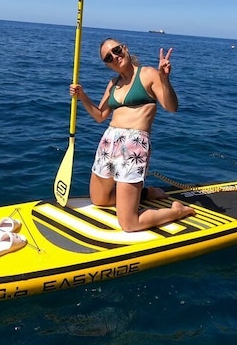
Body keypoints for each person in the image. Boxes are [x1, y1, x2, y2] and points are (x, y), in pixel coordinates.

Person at [69, 38, 195, 232]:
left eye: (117, 50)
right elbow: (100, 116)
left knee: (129, 224)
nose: (115, 57)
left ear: (125, 48)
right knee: (99, 200)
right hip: (108, 143)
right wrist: (82, 96)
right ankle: (146, 193)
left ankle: (177, 211)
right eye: (108, 58)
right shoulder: (113, 83)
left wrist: (164, 78)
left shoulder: (148, 74)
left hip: (133, 145)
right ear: (107, 65)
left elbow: (171, 107)